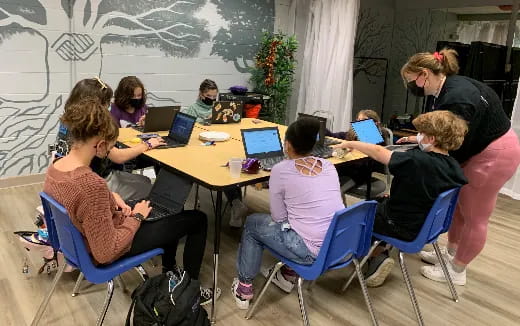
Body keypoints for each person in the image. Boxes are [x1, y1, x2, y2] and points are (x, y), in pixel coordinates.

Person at [44, 97, 218, 305]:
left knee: (165, 211)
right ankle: (190, 292)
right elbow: (106, 252)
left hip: (80, 243)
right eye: (108, 146)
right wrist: (136, 217)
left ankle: (170, 271)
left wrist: (111, 197)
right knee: (196, 219)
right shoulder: (90, 185)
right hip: (102, 250)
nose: (109, 151)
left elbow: (81, 203)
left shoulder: (56, 167)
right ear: (99, 146)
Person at [400, 48, 520, 285]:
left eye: (411, 81)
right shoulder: (448, 86)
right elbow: (446, 133)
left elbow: (451, 141)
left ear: (424, 74)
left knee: (475, 215)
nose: (412, 86)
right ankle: (450, 253)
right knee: (459, 207)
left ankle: (457, 271)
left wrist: (424, 152)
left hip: (493, 154)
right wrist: (419, 140)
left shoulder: (457, 98)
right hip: (480, 147)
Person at [334, 111, 468, 287]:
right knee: (379, 202)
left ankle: (376, 259)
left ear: (432, 139)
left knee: (354, 216)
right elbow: (426, 188)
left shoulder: (417, 160)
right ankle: (379, 250)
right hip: (424, 223)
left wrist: (351, 143)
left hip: (401, 225)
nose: (418, 136)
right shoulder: (452, 165)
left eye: (421, 134)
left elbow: (378, 152)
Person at [232, 117, 345, 309]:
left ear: (287, 145)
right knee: (303, 223)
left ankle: (244, 290)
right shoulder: (329, 166)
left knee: (252, 223)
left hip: (312, 253)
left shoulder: (280, 170)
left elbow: (278, 218)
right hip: (339, 244)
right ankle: (287, 275)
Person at [60, 77, 165, 201]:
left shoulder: (66, 121)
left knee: (145, 180)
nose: (108, 107)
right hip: (96, 181)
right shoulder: (93, 128)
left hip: (75, 179)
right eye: (106, 103)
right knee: (148, 187)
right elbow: (119, 157)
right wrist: (147, 144)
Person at [183, 79, 248, 227]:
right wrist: (203, 120)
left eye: (214, 96)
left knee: (230, 164)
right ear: (201, 94)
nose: (211, 99)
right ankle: (236, 205)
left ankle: (236, 205)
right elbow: (188, 125)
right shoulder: (193, 108)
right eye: (209, 96)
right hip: (201, 147)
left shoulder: (219, 107)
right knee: (221, 167)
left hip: (222, 143)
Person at [327, 110, 390, 191]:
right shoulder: (352, 133)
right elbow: (334, 136)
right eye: (358, 120)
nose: (359, 123)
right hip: (347, 169)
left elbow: (370, 163)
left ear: (375, 123)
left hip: (361, 174)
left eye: (363, 120)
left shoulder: (378, 139)